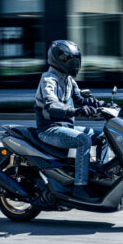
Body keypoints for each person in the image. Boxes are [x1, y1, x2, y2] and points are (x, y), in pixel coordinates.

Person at [35, 39, 104, 202]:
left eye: (75, 60)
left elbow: (79, 99)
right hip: (49, 129)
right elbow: (51, 105)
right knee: (83, 140)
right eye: (70, 60)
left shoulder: (68, 79)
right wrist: (75, 110)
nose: (74, 64)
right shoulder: (48, 79)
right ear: (58, 59)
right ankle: (79, 187)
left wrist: (100, 104)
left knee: (104, 136)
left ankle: (100, 176)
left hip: (66, 127)